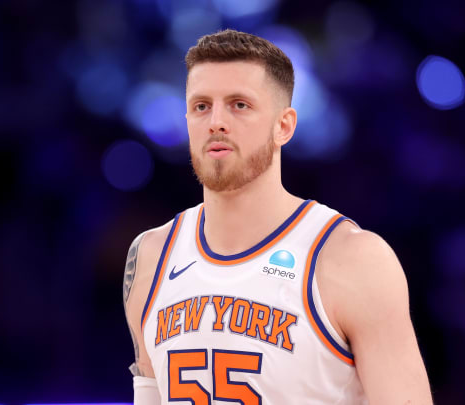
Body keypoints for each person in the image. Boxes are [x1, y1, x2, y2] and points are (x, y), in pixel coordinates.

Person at [122, 29, 432, 404]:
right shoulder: (151, 257)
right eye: (202, 105)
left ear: (284, 125)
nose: (216, 121)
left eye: (239, 105)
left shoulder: (352, 259)